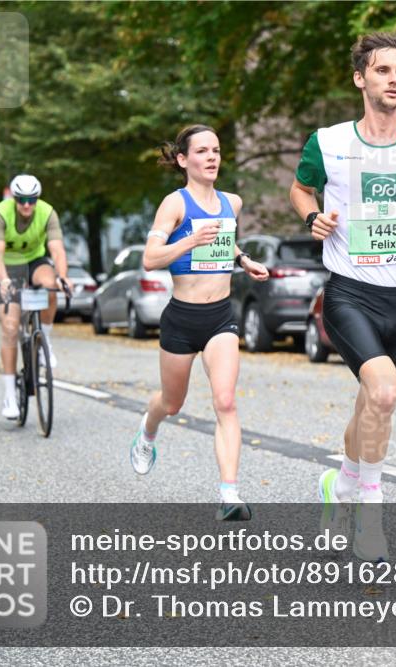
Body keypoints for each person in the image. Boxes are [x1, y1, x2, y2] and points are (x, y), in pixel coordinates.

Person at [289, 33, 396, 561]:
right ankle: (371, 513)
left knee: (369, 402)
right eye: (383, 71)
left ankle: (338, 487)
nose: (394, 80)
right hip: (348, 292)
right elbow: (300, 189)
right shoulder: (328, 142)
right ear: (361, 78)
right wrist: (312, 217)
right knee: (383, 393)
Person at [130, 124, 269, 521]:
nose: (212, 158)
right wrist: (189, 239)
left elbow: (226, 239)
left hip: (220, 316)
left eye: (217, 151)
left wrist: (243, 260)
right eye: (203, 151)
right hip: (182, 317)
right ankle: (148, 429)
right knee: (171, 403)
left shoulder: (233, 202)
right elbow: (150, 258)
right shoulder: (174, 204)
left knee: (225, 400)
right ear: (183, 159)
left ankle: (229, 494)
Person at [0, 175, 71, 420]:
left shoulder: (47, 212)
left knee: (51, 284)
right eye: (22, 199)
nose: (27, 205)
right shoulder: (1, 212)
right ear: (14, 198)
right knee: (10, 328)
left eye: (32, 199)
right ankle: (10, 394)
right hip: (7, 266)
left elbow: (57, 249)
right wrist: (4, 280)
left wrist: (63, 276)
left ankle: (44, 343)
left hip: (33, 261)